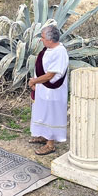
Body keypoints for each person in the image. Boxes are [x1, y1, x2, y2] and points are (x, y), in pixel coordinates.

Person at [28, 25, 69, 155]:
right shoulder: (48, 49)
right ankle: (43, 135)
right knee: (42, 112)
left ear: (50, 40)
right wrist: (36, 83)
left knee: (51, 115)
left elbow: (51, 75)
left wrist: (34, 81)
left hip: (53, 92)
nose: (41, 40)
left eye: (43, 37)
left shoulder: (60, 52)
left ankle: (50, 145)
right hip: (43, 89)